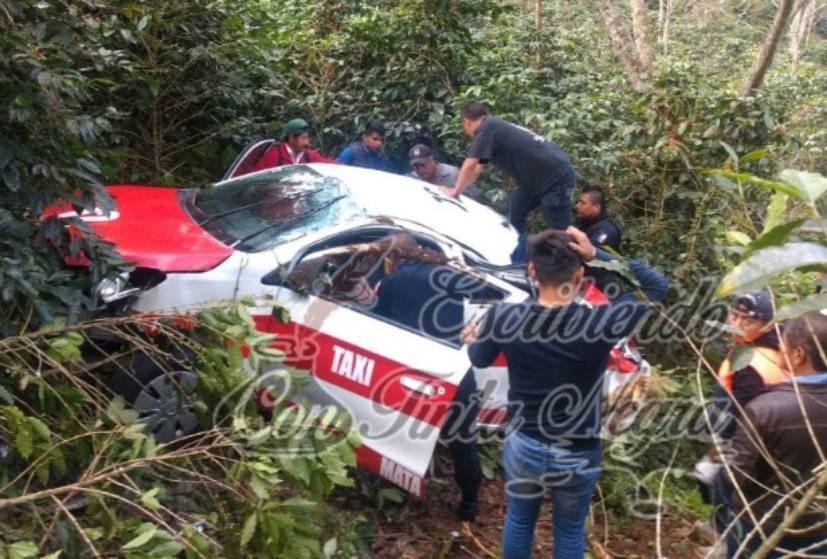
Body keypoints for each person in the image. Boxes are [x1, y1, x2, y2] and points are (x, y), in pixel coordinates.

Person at [463, 227, 668, 559]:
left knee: (519, 518)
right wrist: (597, 254)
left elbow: (479, 358)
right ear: (579, 275)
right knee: (569, 529)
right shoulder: (599, 324)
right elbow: (657, 286)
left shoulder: (504, 316)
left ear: (531, 270)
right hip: (578, 448)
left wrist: (475, 338)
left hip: (526, 439)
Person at [370, 233, 484, 521]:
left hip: (413, 367)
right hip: (456, 370)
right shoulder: (449, 274)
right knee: (464, 442)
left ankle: (388, 484)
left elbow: (377, 320)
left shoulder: (394, 281)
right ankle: (470, 504)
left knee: (391, 425)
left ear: (395, 257)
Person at [714, 310, 827, 558]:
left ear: (799, 354)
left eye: (784, 344)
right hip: (820, 525)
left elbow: (737, 474)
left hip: (764, 525)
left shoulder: (766, 409)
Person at [443, 101, 577, 233]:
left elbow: (470, 163)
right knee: (516, 210)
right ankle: (518, 250)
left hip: (557, 178)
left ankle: (593, 254)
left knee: (560, 232)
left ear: (466, 122)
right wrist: (460, 189)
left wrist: (455, 192)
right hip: (536, 180)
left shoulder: (486, 128)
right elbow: (477, 169)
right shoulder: (492, 126)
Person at [234, 118, 336, 176]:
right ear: (291, 138)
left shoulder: (309, 155)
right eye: (303, 138)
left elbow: (330, 165)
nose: (307, 142)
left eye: (307, 138)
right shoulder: (275, 155)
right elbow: (256, 177)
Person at [407, 144, 481, 201]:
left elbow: (474, 197)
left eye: (422, 165)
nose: (420, 170)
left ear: (431, 159)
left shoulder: (453, 174)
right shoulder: (413, 178)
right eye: (415, 167)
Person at [574, 186, 621, 251]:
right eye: (579, 202)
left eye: (583, 203)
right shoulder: (580, 222)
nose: (577, 206)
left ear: (596, 207)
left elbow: (590, 253)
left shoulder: (608, 230)